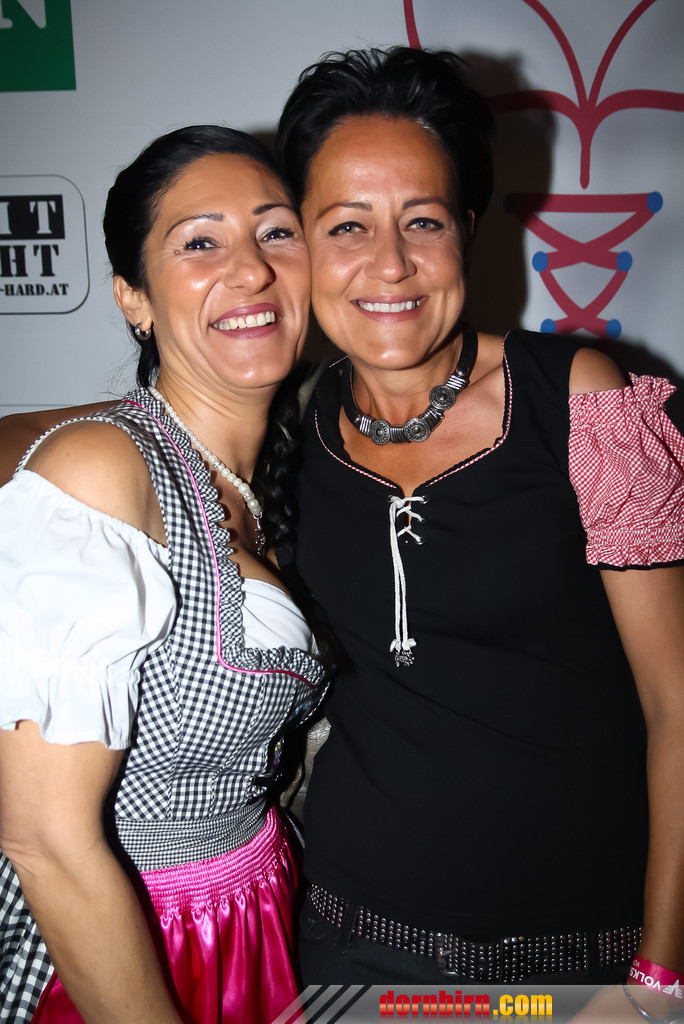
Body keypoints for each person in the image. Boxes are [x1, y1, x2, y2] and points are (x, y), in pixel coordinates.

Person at [275, 46, 684, 1015]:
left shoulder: (585, 403)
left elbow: (679, 702)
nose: (390, 264)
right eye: (347, 226)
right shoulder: (285, 427)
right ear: (299, 243)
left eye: (422, 220)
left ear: (466, 229)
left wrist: (660, 977)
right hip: (353, 941)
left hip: (578, 960)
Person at [0, 125, 329, 1024]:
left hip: (258, 920)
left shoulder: (281, 473)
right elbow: (43, 838)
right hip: (131, 947)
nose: (251, 270)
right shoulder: (101, 470)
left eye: (276, 232)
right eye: (199, 243)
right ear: (133, 298)